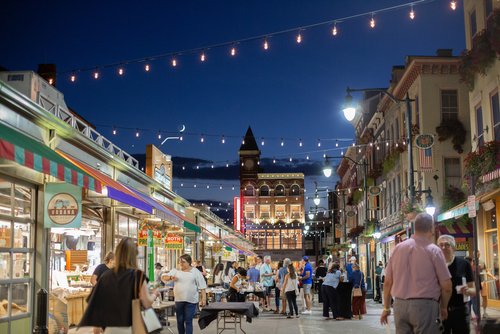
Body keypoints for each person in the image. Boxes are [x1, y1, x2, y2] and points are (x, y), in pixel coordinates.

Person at [380, 213, 452, 334]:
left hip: (399, 305)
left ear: (415, 227)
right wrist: (443, 307)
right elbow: (447, 287)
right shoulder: (433, 250)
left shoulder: (397, 249)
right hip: (425, 306)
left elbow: (387, 282)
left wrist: (386, 308)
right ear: (431, 228)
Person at [79, 238, 158, 334]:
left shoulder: (106, 276)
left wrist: (97, 326)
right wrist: (154, 294)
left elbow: (97, 304)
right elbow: (147, 302)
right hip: (132, 328)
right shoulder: (138, 275)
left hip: (110, 329)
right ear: (134, 255)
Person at [437, 235, 476, 334]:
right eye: (440, 245)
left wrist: (468, 290)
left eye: (447, 245)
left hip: (460, 311)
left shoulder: (464, 264)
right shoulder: (434, 265)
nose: (443, 248)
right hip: (439, 311)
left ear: (453, 247)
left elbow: (474, 290)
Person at [163, 254, 207, 334]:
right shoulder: (176, 270)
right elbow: (164, 277)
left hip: (191, 301)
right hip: (179, 300)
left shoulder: (195, 271)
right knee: (179, 321)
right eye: (180, 262)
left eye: (183, 262)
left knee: (188, 320)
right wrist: (170, 278)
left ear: (189, 262)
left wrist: (203, 299)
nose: (181, 264)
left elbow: (202, 286)